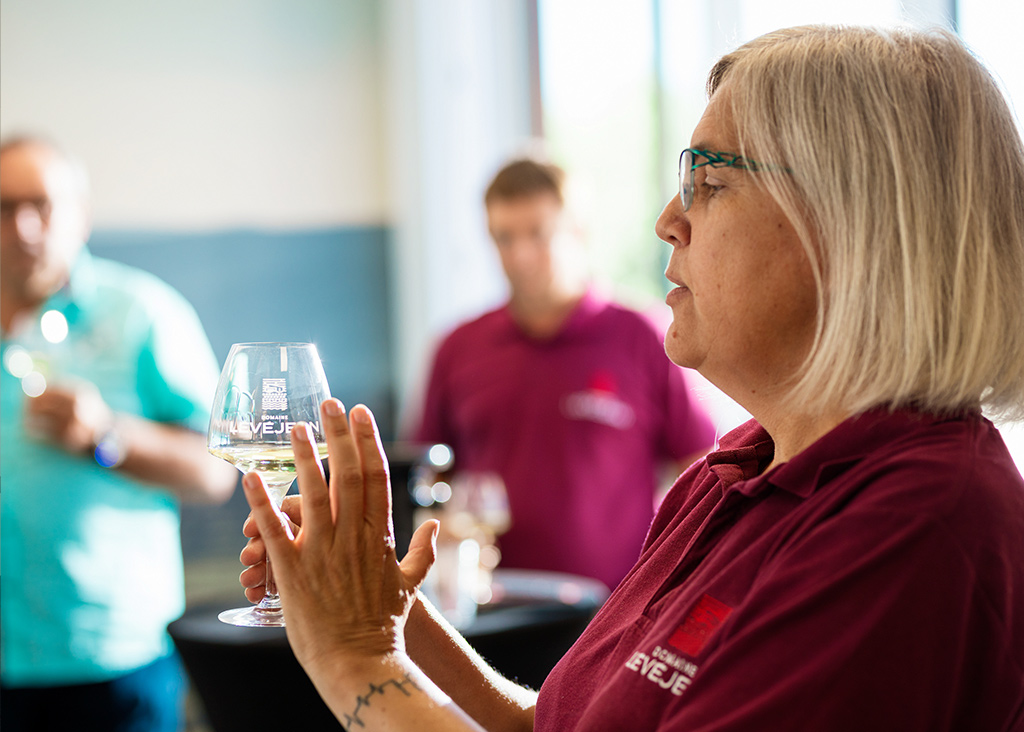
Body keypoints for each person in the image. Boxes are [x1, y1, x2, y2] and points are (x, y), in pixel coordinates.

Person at [237, 25, 1024, 731]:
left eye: (712, 183)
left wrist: (353, 658)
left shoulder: (917, 521)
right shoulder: (740, 469)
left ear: (859, 230)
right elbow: (552, 724)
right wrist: (388, 611)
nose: (667, 221)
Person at [0, 136, 238, 731]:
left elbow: (216, 472)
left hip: (111, 659)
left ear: (79, 215)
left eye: (41, 205)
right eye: (3, 207)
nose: (23, 226)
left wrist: (107, 436)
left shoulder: (142, 313)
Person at [411, 157, 716, 590]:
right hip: (492, 611)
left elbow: (699, 464)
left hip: (615, 611)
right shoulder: (458, 348)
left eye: (537, 234)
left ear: (577, 231)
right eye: (503, 237)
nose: (519, 254)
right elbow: (426, 477)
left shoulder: (645, 337)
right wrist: (443, 530)